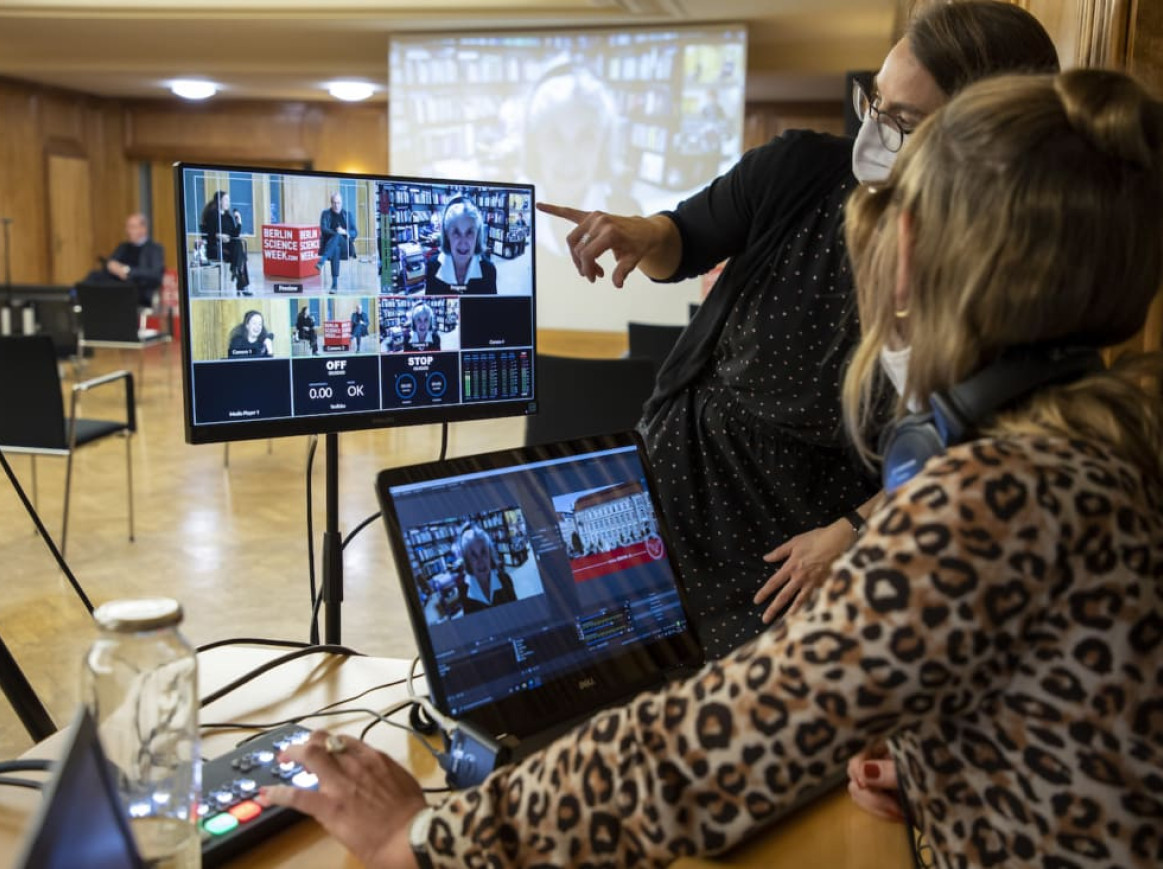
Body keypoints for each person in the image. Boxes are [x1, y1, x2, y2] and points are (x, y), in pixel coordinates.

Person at [260, 67, 1163, 868]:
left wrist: (422, 841)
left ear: (926, 253)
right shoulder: (1100, 442)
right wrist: (948, 757)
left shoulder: (991, 497)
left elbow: (709, 748)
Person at [539, 1, 1060, 658]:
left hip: (797, 545)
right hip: (676, 478)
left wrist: (851, 531)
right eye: (872, 103)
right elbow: (683, 239)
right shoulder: (800, 170)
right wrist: (646, 232)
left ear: (984, 139)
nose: (871, 132)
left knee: (734, 718)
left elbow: (972, 449)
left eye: (902, 122)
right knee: (589, 668)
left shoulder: (1006, 275)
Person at [84, 213, 166, 308]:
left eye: (132, 227)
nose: (128, 231)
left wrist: (127, 270)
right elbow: (112, 263)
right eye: (128, 227)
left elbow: (155, 274)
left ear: (143, 229)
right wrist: (112, 266)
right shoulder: (123, 247)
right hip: (116, 285)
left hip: (137, 289)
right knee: (93, 277)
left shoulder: (154, 249)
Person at [424, 198, 497, 295]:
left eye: (469, 232)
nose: (463, 243)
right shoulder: (432, 266)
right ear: (447, 234)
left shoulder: (489, 270)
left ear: (477, 235)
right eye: (456, 232)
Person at [454, 523, 516, 615]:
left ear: (490, 554)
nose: (480, 561)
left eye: (483, 552)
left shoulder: (505, 579)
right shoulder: (464, 590)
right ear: (468, 561)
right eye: (473, 555)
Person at [200, 191, 250, 295]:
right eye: (226, 200)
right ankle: (241, 284)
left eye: (229, 200)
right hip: (216, 248)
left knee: (238, 245)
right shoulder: (212, 215)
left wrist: (239, 222)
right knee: (241, 255)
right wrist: (218, 236)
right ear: (219, 201)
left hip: (230, 248)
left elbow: (235, 235)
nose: (228, 202)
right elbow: (206, 234)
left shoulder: (228, 217)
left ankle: (236, 271)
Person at [317, 192, 358, 293]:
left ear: (342, 203)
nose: (336, 205)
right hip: (330, 248)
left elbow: (355, 232)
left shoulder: (347, 215)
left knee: (338, 238)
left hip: (346, 248)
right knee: (336, 248)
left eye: (338, 203)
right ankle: (334, 284)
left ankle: (322, 260)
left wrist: (344, 232)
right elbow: (323, 229)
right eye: (334, 203)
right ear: (331, 203)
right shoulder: (325, 214)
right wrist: (336, 233)